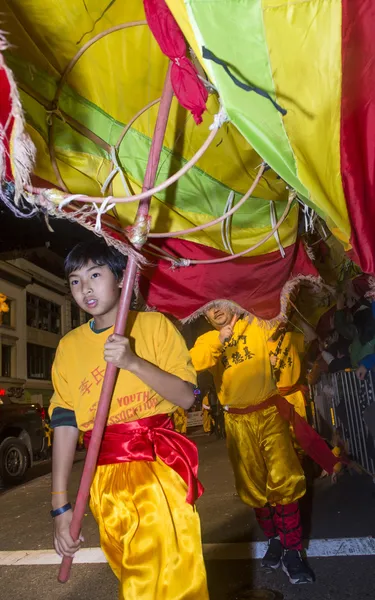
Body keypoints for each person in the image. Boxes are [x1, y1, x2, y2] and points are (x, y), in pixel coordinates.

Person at [49, 240, 209, 600]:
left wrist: (133, 361)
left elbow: (187, 396)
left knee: (162, 585)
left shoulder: (153, 326)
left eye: (95, 274)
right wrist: (60, 505)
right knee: (134, 578)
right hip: (102, 482)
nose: (85, 288)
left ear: (122, 277)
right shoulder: (69, 348)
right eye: (75, 281)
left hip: (156, 470)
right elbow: (64, 425)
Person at [190, 303, 343, 584]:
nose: (215, 310)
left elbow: (281, 308)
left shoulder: (259, 325)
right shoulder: (207, 341)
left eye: (220, 302)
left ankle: (293, 551)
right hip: (237, 423)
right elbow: (193, 364)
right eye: (208, 308)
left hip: (270, 413)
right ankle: (274, 539)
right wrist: (220, 342)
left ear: (233, 301)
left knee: (285, 480)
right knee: (254, 486)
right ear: (203, 314)